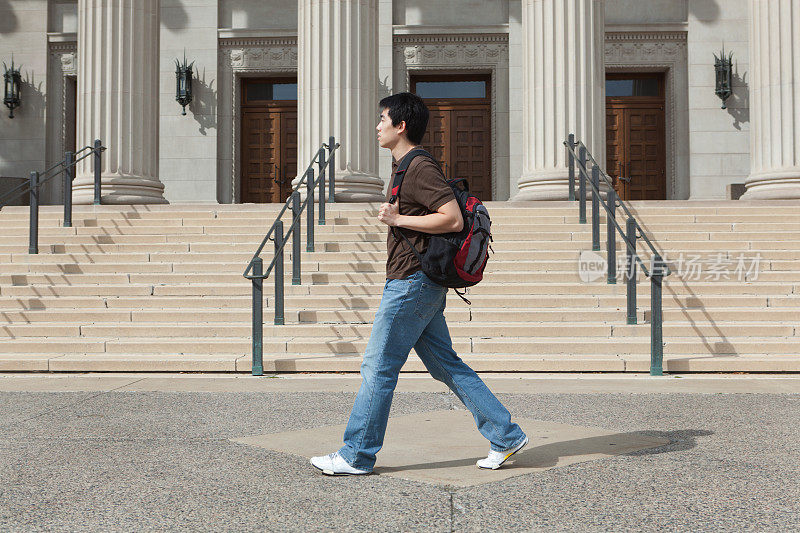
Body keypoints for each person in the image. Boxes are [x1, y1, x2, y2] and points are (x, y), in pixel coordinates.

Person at [310, 92, 527, 476]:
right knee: (446, 365)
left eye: (382, 119)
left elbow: (453, 218)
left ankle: (356, 454)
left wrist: (398, 220)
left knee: (378, 368)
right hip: (416, 282)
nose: (377, 126)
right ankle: (505, 435)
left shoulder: (419, 167)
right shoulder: (402, 166)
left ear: (401, 125)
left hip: (411, 283)